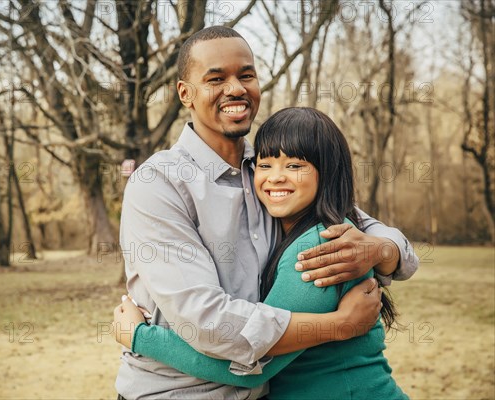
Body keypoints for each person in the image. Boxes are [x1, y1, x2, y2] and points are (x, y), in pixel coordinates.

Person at [114, 26, 418, 399]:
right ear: (185, 93)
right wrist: (338, 325)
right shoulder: (159, 183)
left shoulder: (267, 174)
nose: (236, 88)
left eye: (246, 75)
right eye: (216, 78)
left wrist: (379, 251)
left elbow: (365, 228)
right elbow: (209, 323)